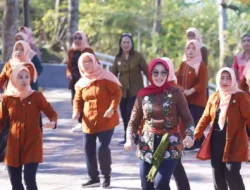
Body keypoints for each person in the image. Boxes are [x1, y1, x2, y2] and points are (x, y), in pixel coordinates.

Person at [124, 58, 195, 190]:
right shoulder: (142, 95)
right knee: (147, 185)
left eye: (163, 73)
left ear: (168, 74)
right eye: (155, 72)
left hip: (171, 142)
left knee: (161, 183)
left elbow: (188, 119)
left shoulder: (176, 93)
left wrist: (190, 135)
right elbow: (133, 122)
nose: (159, 76)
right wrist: (129, 139)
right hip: (147, 143)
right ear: (150, 74)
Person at [0, 65, 58, 190]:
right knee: (15, 183)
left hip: (32, 143)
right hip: (13, 144)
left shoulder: (37, 97)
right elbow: (1, 120)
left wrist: (52, 123)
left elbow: (52, 113)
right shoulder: (7, 99)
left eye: (27, 77)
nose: (24, 80)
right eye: (20, 77)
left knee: (29, 180)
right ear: (13, 79)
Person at [194, 67, 250, 190]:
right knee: (218, 176)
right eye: (222, 78)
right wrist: (194, 136)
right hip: (216, 142)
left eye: (228, 78)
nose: (224, 81)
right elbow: (205, 118)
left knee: (231, 174)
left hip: (235, 142)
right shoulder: (214, 97)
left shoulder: (241, 96)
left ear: (233, 79)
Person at [72, 52, 122, 188]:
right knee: (88, 148)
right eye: (84, 62)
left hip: (107, 120)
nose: (87, 64)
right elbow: (77, 99)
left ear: (95, 62)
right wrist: (76, 111)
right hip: (88, 121)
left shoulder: (106, 77)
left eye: (89, 61)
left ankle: (106, 176)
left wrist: (112, 108)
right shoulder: (82, 82)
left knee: (102, 147)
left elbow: (117, 93)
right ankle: (93, 178)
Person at [110, 33, 148, 145]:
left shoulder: (138, 56)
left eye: (128, 42)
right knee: (124, 115)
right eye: (124, 42)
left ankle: (135, 136)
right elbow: (113, 74)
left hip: (136, 91)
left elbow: (147, 71)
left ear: (132, 44)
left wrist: (154, 84)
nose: (126, 44)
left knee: (132, 114)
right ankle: (127, 137)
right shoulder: (118, 58)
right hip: (122, 92)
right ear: (120, 44)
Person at [160, 57, 191, 190]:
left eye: (164, 70)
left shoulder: (177, 89)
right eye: (157, 70)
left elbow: (184, 115)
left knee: (170, 168)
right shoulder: (153, 87)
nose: (160, 74)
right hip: (155, 133)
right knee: (175, 166)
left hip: (172, 134)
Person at [176, 39, 207, 150]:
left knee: (194, 120)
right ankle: (200, 143)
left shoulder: (201, 64)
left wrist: (191, 90)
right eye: (188, 48)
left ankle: (196, 144)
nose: (190, 51)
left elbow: (202, 83)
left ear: (198, 50)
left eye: (193, 48)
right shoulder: (183, 64)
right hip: (185, 99)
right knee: (186, 121)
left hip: (197, 99)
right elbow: (177, 78)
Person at [66, 31, 94, 132]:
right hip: (74, 80)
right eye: (75, 38)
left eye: (79, 38)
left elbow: (94, 63)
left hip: (85, 79)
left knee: (85, 100)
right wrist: (68, 74)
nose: (77, 40)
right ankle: (79, 122)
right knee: (75, 100)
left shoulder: (88, 50)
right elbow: (68, 66)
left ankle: (85, 122)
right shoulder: (71, 51)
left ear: (84, 39)